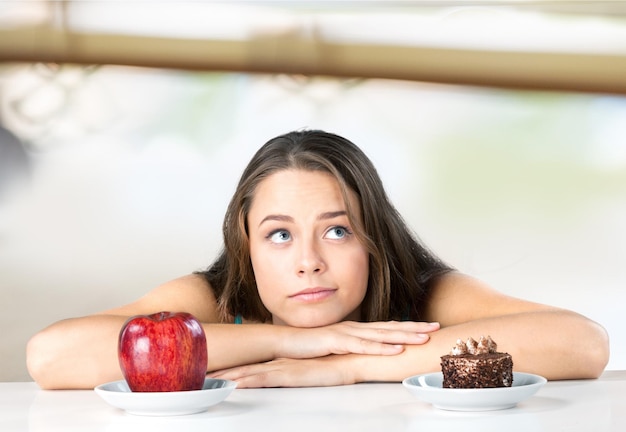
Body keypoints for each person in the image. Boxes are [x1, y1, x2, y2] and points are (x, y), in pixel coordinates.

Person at [27, 130, 609, 390]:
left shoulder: (423, 294)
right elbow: (52, 357)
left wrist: (350, 363)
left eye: (336, 231)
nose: (308, 262)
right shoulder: (218, 299)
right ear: (245, 242)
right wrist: (281, 342)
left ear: (374, 236)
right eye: (279, 236)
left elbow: (580, 345)